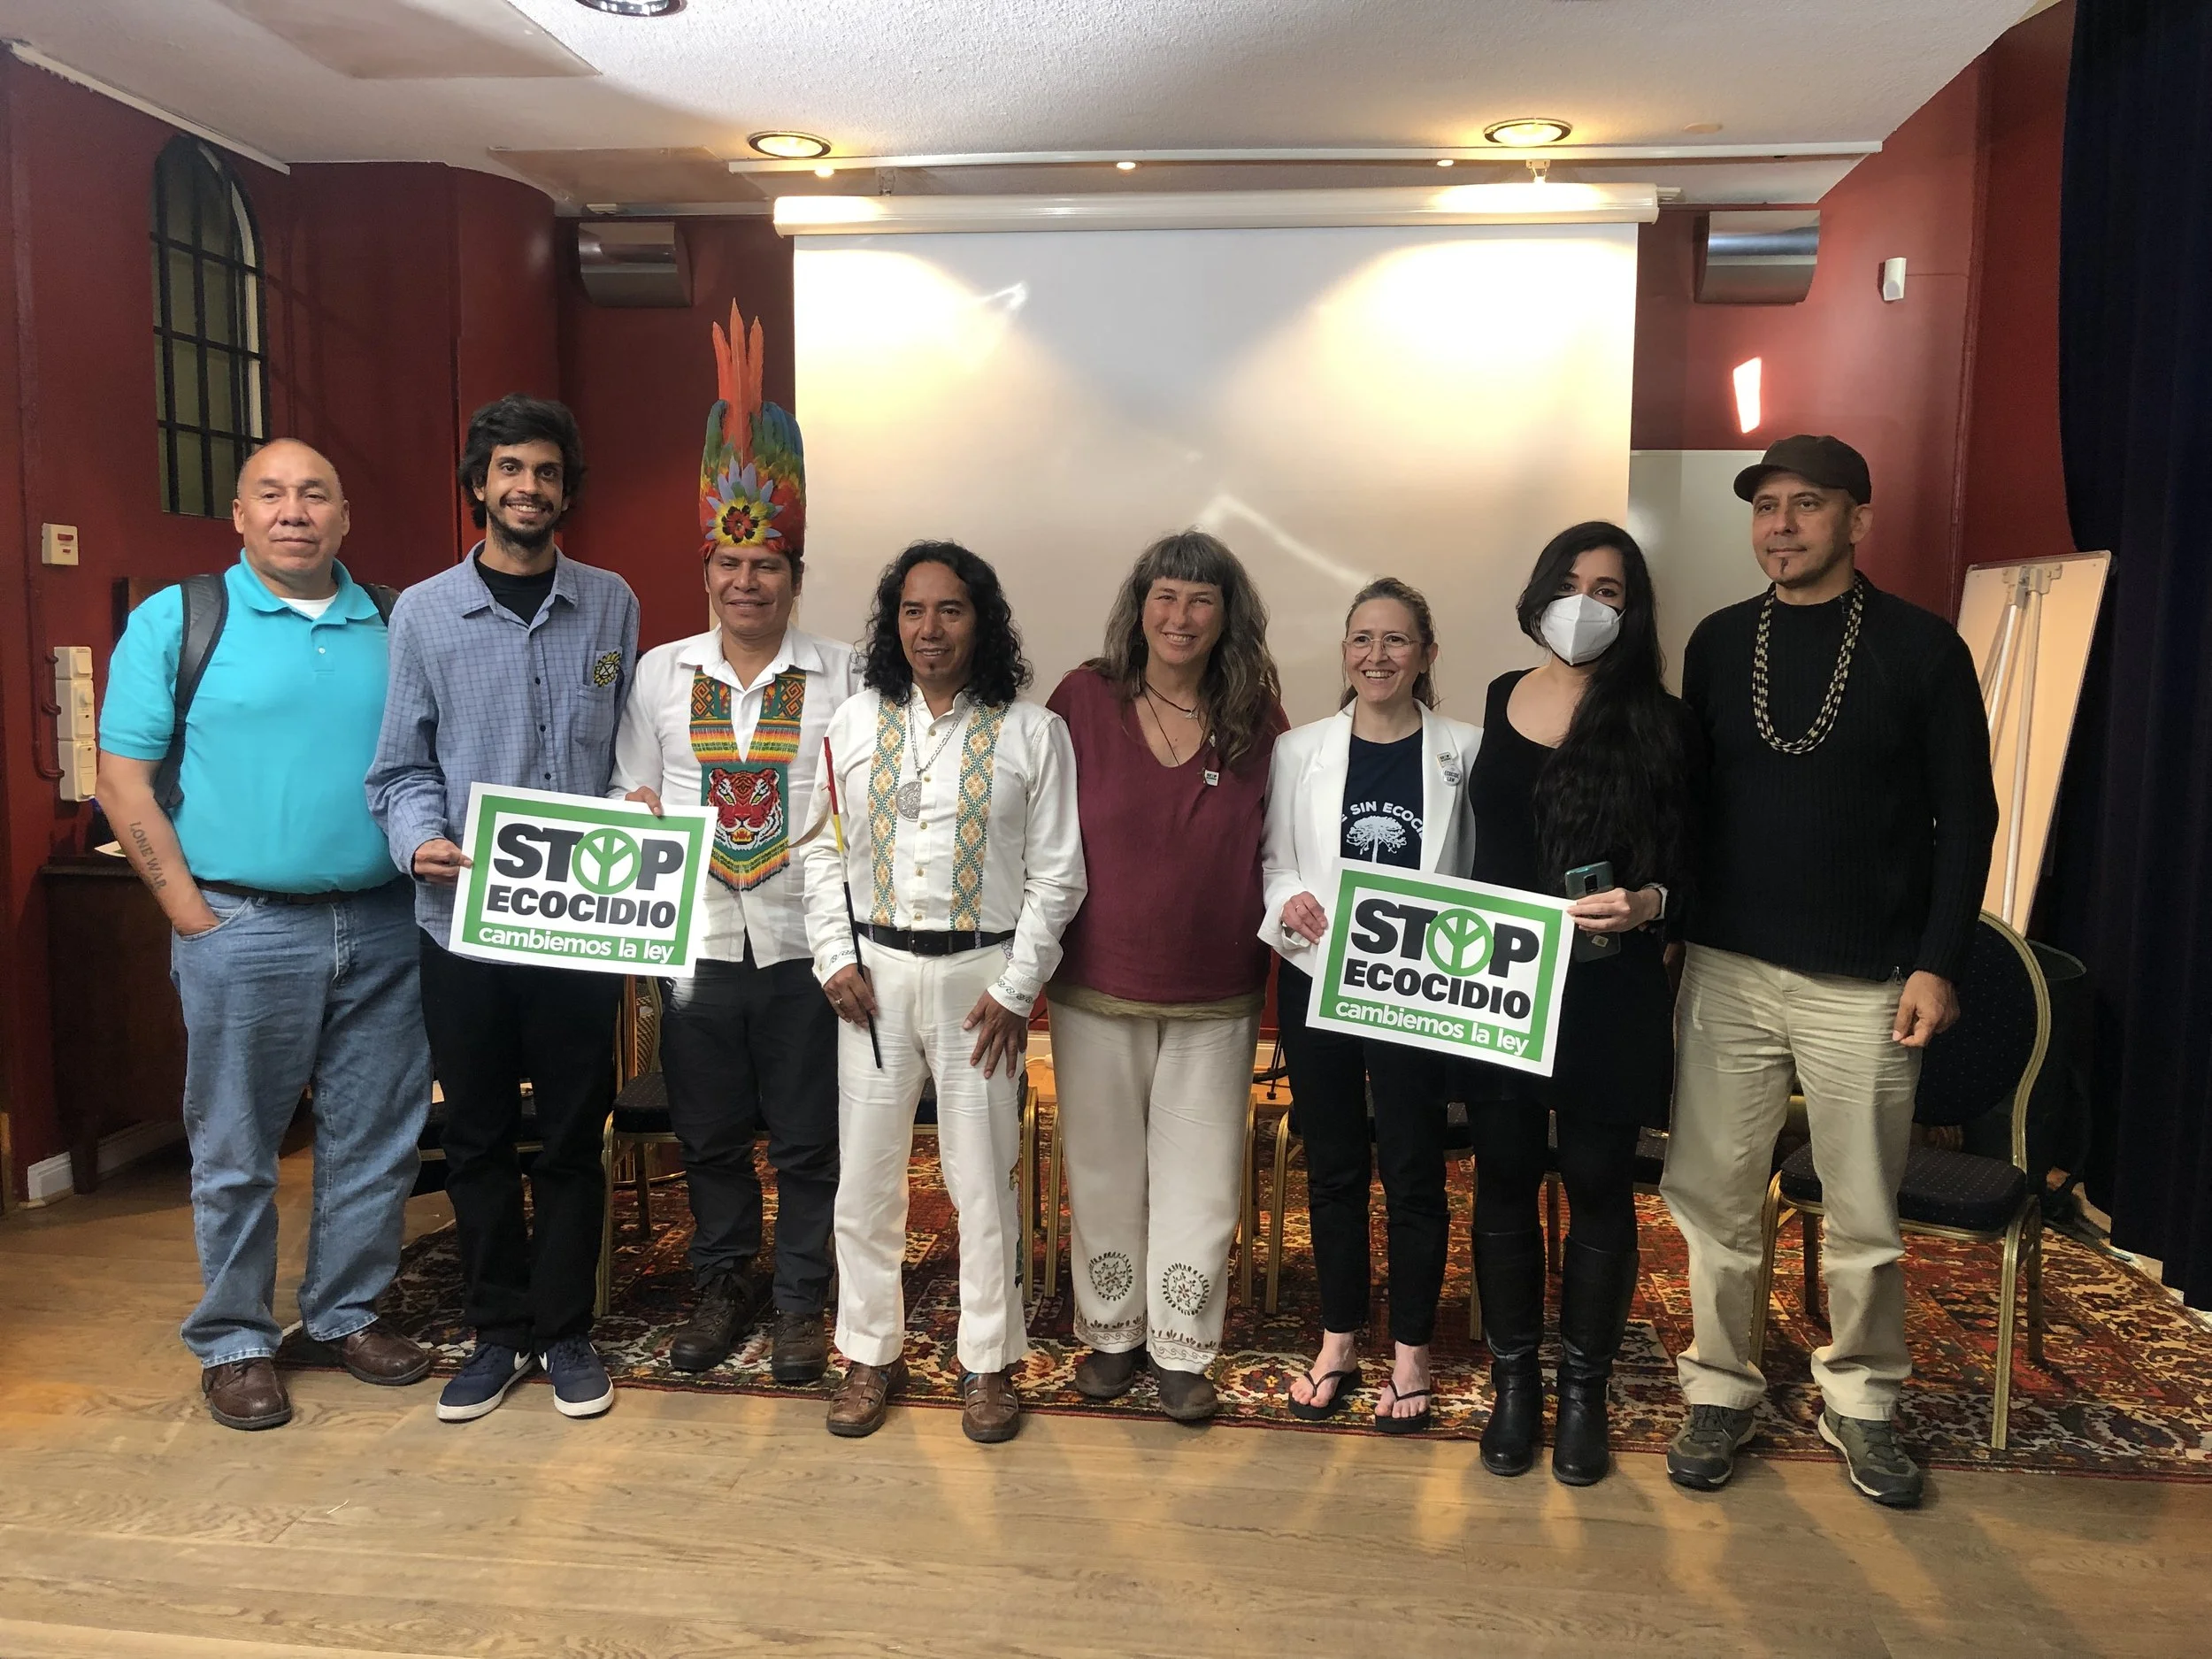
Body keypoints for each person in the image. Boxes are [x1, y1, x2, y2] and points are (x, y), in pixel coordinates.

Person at [1661, 434, 1997, 1508]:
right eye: (1766, 506)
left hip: (1866, 983)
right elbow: (1694, 804)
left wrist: (1937, 963)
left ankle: (1861, 1399)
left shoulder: (1922, 648)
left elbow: (1968, 819)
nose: (1781, 525)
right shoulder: (1718, 643)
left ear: (1857, 519)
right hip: (1727, 969)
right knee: (1712, 1195)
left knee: (1860, 1213)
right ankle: (1720, 1386)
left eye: (1806, 504)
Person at [96, 439, 431, 1430]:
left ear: (344, 516)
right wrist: (191, 916)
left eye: (315, 494)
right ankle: (236, 1340)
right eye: (272, 494)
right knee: (237, 1146)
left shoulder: (398, 621)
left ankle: (344, 1314)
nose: (295, 511)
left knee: (376, 1138)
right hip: (243, 924)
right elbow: (122, 782)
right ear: (239, 515)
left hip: (387, 922)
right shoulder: (180, 620)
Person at [368, 395, 641, 1425]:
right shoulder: (423, 614)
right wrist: (417, 841)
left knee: (573, 1133)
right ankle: (496, 1332)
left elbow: (625, 749)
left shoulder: (611, 605)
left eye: (546, 472)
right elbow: (399, 769)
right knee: (478, 1135)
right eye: (510, 470)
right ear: (479, 484)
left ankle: (565, 1332)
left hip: (578, 923)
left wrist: (637, 802)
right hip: (461, 924)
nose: (528, 488)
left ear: (568, 490)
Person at [612, 310, 858, 1382]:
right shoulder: (660, 673)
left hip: (808, 945)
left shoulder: (847, 675)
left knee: (807, 1139)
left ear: (795, 573)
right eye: (730, 562)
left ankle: (800, 1296)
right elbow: (628, 788)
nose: (746, 580)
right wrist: (633, 824)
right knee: (707, 1135)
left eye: (765, 563)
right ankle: (723, 1283)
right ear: (705, 568)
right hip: (698, 944)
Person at [797, 541, 1086, 1445]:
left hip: (979, 986)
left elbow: (1058, 876)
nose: (929, 628)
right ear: (894, 624)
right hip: (871, 982)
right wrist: (832, 957)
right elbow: (818, 851)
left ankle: (988, 1363)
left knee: (982, 1183)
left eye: (950, 609)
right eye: (912, 610)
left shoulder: (1032, 732)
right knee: (865, 1181)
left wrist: (1015, 988)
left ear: (982, 621)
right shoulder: (852, 722)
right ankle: (868, 1354)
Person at [1460, 521, 1700, 1486]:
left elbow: (1697, 860)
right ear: (1538, 594)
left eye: (1608, 590)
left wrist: (1650, 902)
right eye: (1569, 584)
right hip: (1499, 983)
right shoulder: (1495, 698)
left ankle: (1585, 1392)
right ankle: (1515, 1382)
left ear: (1631, 611)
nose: (1584, 604)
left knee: (1600, 1184)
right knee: (1504, 1177)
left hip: (1610, 987)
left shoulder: (1664, 721)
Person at [1045, 531, 1286, 1423]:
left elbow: (1280, 847)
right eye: (1165, 596)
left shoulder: (1256, 716)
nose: (1180, 616)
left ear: (1227, 616)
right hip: (1094, 980)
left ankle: (1183, 1349)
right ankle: (1112, 1334)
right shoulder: (1082, 698)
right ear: (1139, 606)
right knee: (1104, 1168)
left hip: (1216, 990)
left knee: (1203, 1178)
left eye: (1201, 599)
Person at [1261, 578, 1479, 1432]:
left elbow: (1481, 872)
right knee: (1335, 1167)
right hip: (1318, 979)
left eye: (1395, 640)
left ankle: (1413, 1351)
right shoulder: (1299, 749)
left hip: (1416, 989)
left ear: (1426, 653)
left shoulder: (1467, 749)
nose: (1376, 655)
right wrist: (1286, 902)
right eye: (1362, 639)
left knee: (1415, 1170)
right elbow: (1275, 860)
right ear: (1344, 652)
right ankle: (1339, 1338)